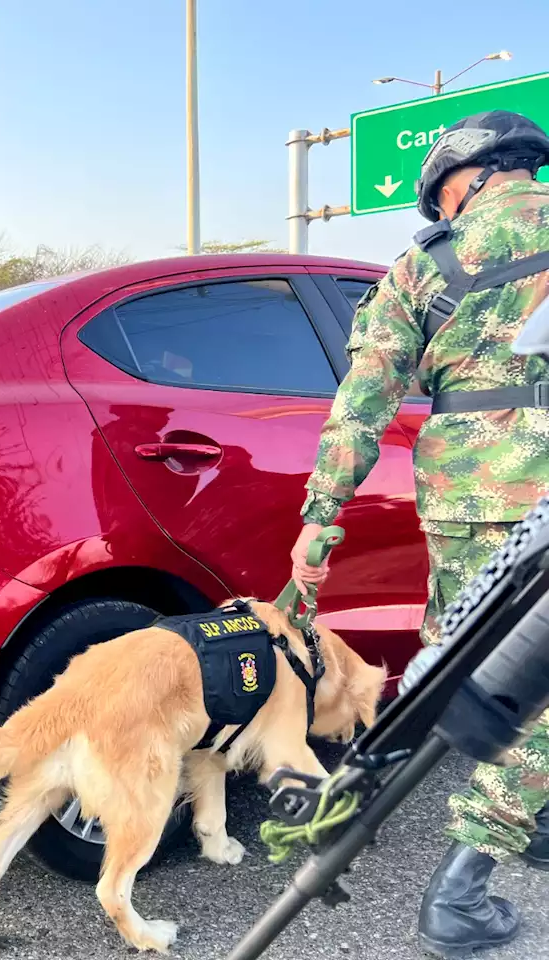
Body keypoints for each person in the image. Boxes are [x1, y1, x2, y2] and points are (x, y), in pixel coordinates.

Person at [288, 110, 549, 959]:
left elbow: (359, 405)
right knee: (531, 688)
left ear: (464, 181)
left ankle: (489, 825)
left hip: (460, 499)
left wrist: (318, 521)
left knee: (462, 666)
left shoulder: (421, 269)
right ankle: (460, 894)